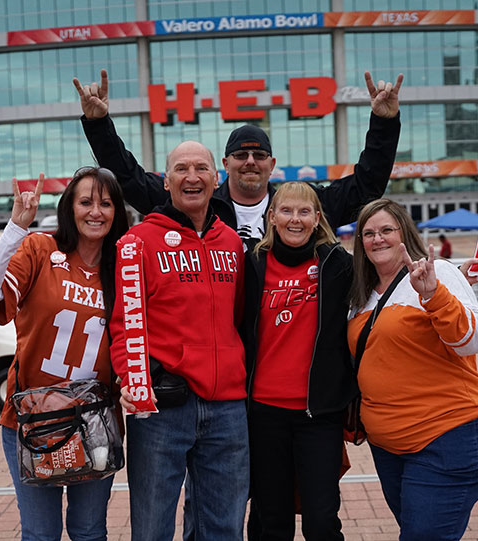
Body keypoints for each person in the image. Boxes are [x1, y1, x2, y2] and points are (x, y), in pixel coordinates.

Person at [73, 69, 402, 250]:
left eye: (258, 155)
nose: (249, 162)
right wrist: (99, 125)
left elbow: (366, 187)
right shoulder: (195, 204)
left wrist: (384, 123)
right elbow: (128, 178)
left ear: (272, 165)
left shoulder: (298, 206)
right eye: (240, 155)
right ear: (225, 165)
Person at [0, 167, 129, 541]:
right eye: (86, 201)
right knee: (40, 533)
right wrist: (15, 228)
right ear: (69, 208)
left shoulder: (123, 266)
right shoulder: (41, 248)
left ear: (117, 212)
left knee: (89, 531)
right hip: (33, 420)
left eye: (106, 204)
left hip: (94, 422)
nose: (96, 212)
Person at [109, 140, 248, 540]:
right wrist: (136, 379)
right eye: (181, 169)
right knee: (152, 528)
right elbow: (122, 324)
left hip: (227, 409)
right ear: (165, 181)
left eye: (201, 168)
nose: (192, 177)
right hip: (163, 408)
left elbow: (236, 317)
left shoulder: (232, 243)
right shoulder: (138, 242)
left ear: (216, 178)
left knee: (223, 528)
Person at [348, 199, 478, 540]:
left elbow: (473, 340)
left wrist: (434, 295)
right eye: (369, 233)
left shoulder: (437, 272)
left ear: (405, 233)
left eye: (387, 230)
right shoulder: (360, 296)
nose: (378, 239)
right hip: (389, 445)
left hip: (450, 434)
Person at [243, 182, 355, 540]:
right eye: (286, 211)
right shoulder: (252, 264)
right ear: (271, 217)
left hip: (318, 415)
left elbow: (388, 285)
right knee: (271, 521)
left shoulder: (338, 265)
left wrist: (447, 279)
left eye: (304, 211)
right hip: (262, 414)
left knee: (321, 521)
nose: (295, 219)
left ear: (317, 218)